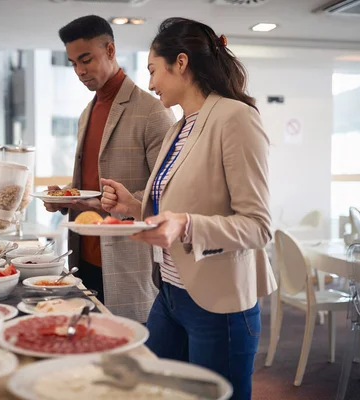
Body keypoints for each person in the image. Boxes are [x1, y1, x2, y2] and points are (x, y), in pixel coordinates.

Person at [100, 17, 277, 400]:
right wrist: (132, 205)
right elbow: (172, 208)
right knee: (151, 389)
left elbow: (258, 226)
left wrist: (184, 226)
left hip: (218, 305)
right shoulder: (180, 128)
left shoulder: (236, 118)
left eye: (152, 70)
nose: (149, 83)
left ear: (181, 63)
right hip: (171, 293)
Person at [44, 15, 175, 322]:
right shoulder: (86, 113)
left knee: (130, 360)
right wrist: (64, 198)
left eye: (86, 60)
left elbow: (167, 192)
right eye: (73, 63)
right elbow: (89, 184)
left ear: (111, 50)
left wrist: (120, 203)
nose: (79, 71)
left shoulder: (152, 111)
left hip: (127, 262)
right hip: (83, 254)